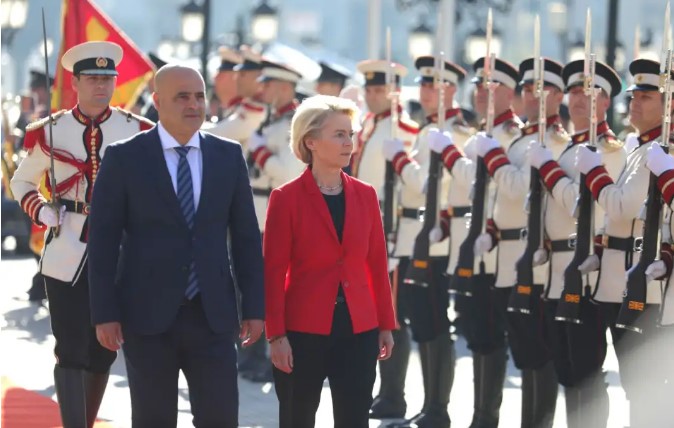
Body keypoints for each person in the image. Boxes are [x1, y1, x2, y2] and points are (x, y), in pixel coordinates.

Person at [87, 64, 264, 427]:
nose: (194, 104)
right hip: (147, 317)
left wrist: (255, 307)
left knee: (220, 418)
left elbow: (246, 237)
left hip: (213, 316)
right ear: (157, 101)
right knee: (154, 419)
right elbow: (103, 240)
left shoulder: (227, 156)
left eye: (199, 96)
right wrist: (104, 312)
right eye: (182, 96)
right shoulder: (125, 157)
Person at [9, 41, 154, 427]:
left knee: (104, 350)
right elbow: (21, 180)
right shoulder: (51, 131)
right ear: (75, 82)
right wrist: (40, 209)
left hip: (119, 251)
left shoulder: (137, 129)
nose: (101, 86)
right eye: (92, 79)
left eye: (108, 79)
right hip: (66, 249)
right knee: (70, 347)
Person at [264, 94, 396, 428]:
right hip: (302, 331)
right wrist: (276, 336)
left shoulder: (365, 195)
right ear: (311, 141)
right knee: (297, 418)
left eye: (350, 134)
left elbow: (377, 266)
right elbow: (273, 272)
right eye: (339, 134)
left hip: (359, 330)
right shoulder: (285, 198)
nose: (348, 143)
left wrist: (385, 324)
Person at [577, 58, 674, 428]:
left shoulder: (659, 151)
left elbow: (621, 207)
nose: (634, 103)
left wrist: (594, 172)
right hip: (632, 280)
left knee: (648, 387)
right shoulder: (642, 148)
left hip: (651, 289)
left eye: (646, 97)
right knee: (637, 386)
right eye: (634, 96)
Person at [473, 57, 568, 427]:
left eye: (543, 90)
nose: (533, 97)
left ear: (558, 96)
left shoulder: (551, 141)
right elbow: (507, 204)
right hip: (509, 254)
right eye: (529, 89)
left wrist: (493, 155)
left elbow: (515, 189)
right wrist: (492, 229)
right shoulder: (526, 139)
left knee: (539, 349)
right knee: (523, 348)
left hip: (538, 259)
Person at [529, 59, 625, 428]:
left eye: (590, 92)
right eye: (573, 91)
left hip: (586, 273)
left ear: (605, 102)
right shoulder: (570, 148)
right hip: (557, 270)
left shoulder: (609, 151)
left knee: (586, 367)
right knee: (566, 365)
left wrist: (550, 173)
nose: (579, 99)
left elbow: (589, 210)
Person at [429, 56, 523, 428]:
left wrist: (451, 153)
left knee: (495, 334)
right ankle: (479, 416)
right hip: (475, 250)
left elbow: (483, 182)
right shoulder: (481, 135)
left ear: (510, 93)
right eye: (480, 87)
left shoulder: (512, 134)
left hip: (500, 252)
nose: (483, 94)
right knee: (478, 333)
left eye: (493, 87)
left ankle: (487, 418)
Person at [382, 55, 466, 428]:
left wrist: (399, 159)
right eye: (425, 84)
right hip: (412, 237)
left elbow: (427, 186)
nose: (427, 91)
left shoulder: (456, 132)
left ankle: (438, 407)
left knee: (434, 323)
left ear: (450, 89)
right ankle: (428, 404)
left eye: (434, 85)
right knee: (418, 323)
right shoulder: (426, 130)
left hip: (434, 240)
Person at [353, 58, 419, 420]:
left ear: (393, 92)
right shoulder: (368, 126)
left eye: (380, 90)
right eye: (370, 89)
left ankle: (394, 394)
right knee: (372, 313)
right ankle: (381, 389)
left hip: (389, 231)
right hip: (365, 229)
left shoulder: (403, 129)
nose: (373, 95)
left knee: (392, 316)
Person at [207, 46, 266, 152]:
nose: (237, 78)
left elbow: (218, 133)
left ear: (257, 77)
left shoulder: (257, 109)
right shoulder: (245, 107)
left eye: (242, 74)